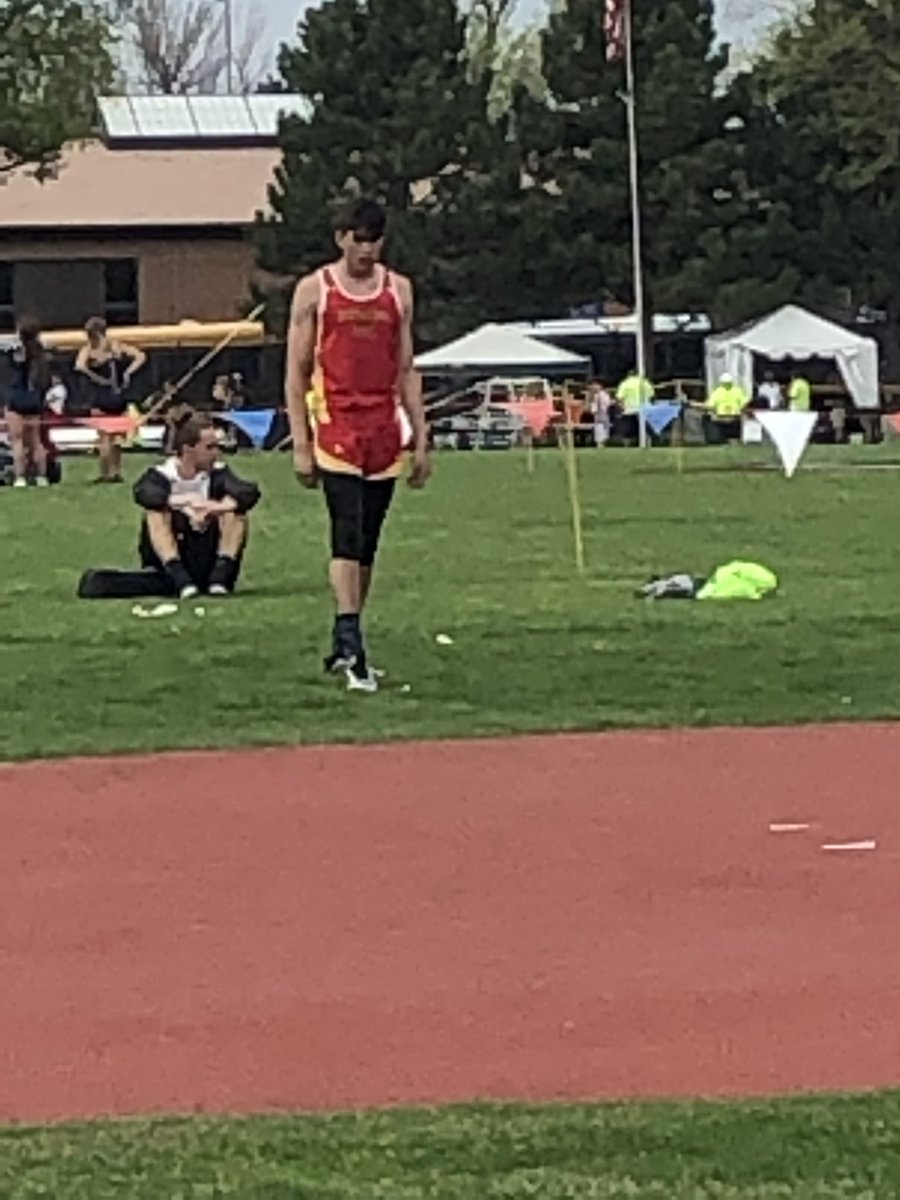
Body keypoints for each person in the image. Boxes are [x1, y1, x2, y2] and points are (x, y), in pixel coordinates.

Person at [285, 196, 430, 693]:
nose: (366, 250)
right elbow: (296, 371)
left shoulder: (398, 291)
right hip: (336, 422)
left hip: (382, 426)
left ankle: (346, 634)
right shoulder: (315, 290)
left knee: (368, 539)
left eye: (374, 241)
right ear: (341, 239)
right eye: (358, 240)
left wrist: (421, 436)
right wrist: (301, 442)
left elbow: (406, 368)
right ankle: (352, 637)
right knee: (345, 529)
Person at [133, 415, 260, 599]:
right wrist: (185, 503)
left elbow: (247, 492)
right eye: (210, 447)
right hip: (169, 562)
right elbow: (144, 493)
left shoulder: (218, 473)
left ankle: (220, 577)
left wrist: (214, 508)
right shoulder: (162, 475)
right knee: (156, 513)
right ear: (188, 450)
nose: (216, 453)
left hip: (207, 554)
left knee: (235, 512)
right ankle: (180, 578)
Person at [75, 316, 147, 483]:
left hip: (100, 396)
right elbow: (141, 356)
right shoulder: (115, 346)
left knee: (104, 438)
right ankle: (116, 471)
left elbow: (79, 366)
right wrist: (128, 372)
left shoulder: (89, 350)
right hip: (118, 395)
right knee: (116, 438)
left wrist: (93, 376)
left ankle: (105, 473)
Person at [4, 317, 49, 487]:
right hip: (33, 398)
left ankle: (20, 477)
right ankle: (41, 477)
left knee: (17, 440)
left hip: (17, 396)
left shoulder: (16, 349)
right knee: (36, 440)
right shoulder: (39, 350)